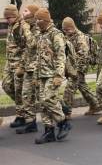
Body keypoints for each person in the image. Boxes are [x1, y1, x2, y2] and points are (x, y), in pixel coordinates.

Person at [34, 8, 71, 144]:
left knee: (48, 99)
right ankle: (48, 130)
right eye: (36, 19)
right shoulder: (40, 35)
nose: (37, 22)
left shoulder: (56, 34)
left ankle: (63, 122)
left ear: (46, 20)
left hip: (52, 74)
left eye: (39, 19)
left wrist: (58, 75)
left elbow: (61, 56)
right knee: (42, 103)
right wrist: (36, 77)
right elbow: (38, 57)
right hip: (42, 74)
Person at [62, 17, 101, 118]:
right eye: (64, 30)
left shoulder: (80, 37)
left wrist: (75, 69)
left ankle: (66, 112)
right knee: (82, 86)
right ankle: (95, 105)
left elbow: (84, 54)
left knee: (70, 87)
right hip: (73, 66)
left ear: (73, 27)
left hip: (79, 66)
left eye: (68, 29)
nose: (66, 32)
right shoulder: (68, 37)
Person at [2, 4, 30, 128]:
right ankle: (24, 109)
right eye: (6, 18)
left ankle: (21, 115)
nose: (7, 20)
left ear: (15, 15)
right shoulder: (11, 25)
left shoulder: (21, 27)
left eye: (9, 17)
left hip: (19, 63)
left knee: (19, 90)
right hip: (10, 62)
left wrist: (22, 65)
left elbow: (27, 48)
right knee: (6, 85)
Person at [16, 5, 40, 134]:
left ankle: (61, 117)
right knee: (26, 95)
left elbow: (33, 44)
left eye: (26, 10)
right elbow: (23, 47)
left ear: (33, 14)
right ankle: (31, 123)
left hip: (39, 68)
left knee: (44, 98)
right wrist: (22, 65)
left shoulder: (37, 26)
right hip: (29, 67)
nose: (23, 12)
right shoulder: (27, 26)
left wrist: (25, 29)